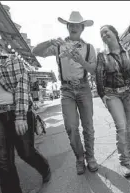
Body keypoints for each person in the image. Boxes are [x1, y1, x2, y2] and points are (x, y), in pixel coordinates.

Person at [0, 25, 51, 193]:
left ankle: (45, 168)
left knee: (26, 153)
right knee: (3, 162)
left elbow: (22, 89)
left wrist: (20, 117)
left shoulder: (13, 60)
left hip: (17, 112)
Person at [32, 11, 98, 175]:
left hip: (83, 87)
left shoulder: (89, 48)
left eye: (77, 25)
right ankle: (79, 158)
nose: (74, 27)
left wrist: (80, 60)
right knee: (70, 127)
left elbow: (94, 71)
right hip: (66, 89)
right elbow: (35, 51)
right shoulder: (59, 45)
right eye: (71, 24)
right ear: (67, 27)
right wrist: (50, 41)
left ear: (82, 28)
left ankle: (90, 157)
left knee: (88, 126)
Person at [95, 25, 130, 178]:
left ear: (114, 33)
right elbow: (98, 76)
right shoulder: (101, 55)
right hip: (112, 94)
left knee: (129, 126)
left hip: (128, 93)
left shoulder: (128, 51)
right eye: (101, 34)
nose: (104, 35)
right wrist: (102, 95)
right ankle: (124, 161)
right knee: (121, 127)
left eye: (106, 31)